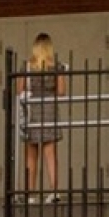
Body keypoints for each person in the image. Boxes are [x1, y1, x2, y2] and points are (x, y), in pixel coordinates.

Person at [16, 32, 67, 203]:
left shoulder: (27, 66)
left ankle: (30, 194)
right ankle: (54, 191)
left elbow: (19, 90)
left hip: (31, 112)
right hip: (50, 111)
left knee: (31, 155)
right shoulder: (57, 66)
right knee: (50, 154)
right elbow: (61, 91)